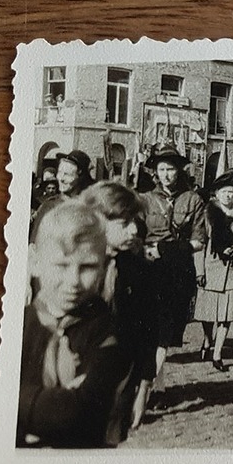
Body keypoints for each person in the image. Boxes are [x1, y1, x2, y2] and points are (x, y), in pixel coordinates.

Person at [17, 202, 136, 448]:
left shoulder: (111, 332)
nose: (73, 281)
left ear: (104, 268)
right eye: (61, 265)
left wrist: (18, 401)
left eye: (88, 267)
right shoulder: (16, 326)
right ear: (35, 262)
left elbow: (78, 413)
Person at [80, 181, 158, 432]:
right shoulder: (73, 270)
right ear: (97, 222)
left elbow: (148, 329)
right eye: (124, 224)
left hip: (121, 383)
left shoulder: (137, 269)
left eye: (134, 221)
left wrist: (144, 384)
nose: (134, 229)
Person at [140, 149, 207, 393]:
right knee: (147, 330)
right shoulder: (144, 200)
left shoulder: (193, 200)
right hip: (147, 271)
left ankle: (152, 387)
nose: (166, 175)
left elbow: (199, 241)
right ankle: (155, 385)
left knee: (165, 334)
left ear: (179, 171)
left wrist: (165, 250)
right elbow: (136, 236)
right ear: (155, 173)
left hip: (177, 274)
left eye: (171, 169)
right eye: (162, 169)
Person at [193, 170, 233, 372]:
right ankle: (207, 339)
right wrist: (199, 271)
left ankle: (217, 354)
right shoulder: (207, 214)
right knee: (208, 313)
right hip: (211, 268)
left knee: (227, 315)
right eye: (225, 192)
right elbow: (199, 244)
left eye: (232, 192)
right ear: (217, 194)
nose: (229, 196)